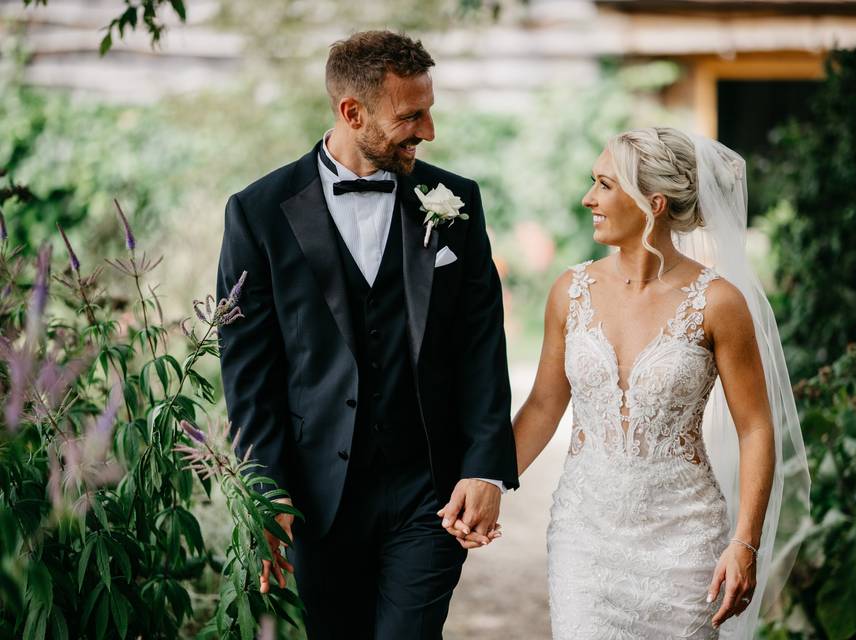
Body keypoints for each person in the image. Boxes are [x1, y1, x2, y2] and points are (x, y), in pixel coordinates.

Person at [216, 30, 518, 639]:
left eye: (429, 110)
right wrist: (264, 497)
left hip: (428, 492)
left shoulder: (456, 200)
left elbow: (481, 343)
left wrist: (484, 469)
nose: (428, 130)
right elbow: (249, 372)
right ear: (352, 113)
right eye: (411, 115)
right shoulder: (258, 212)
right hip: (316, 500)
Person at [508, 127, 809, 638]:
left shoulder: (718, 302)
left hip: (685, 544)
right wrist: (488, 480)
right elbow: (541, 406)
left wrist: (744, 543)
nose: (588, 198)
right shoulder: (570, 291)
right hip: (585, 540)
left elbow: (757, 427)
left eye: (604, 185)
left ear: (653, 202)